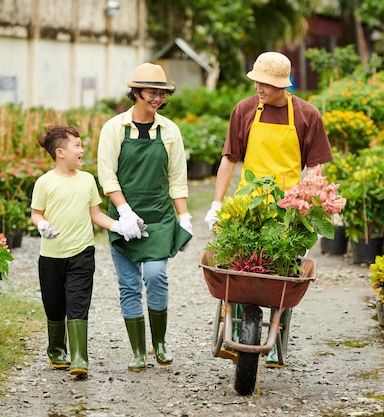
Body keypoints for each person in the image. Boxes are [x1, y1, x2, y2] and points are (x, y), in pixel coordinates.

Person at [204, 51, 334, 368]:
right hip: (247, 207)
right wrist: (217, 203)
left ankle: (278, 336)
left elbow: (314, 167)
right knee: (235, 266)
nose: (259, 88)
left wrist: (309, 203)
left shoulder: (306, 115)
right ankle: (231, 327)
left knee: (284, 272)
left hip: (287, 211)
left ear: (283, 85)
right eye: (257, 81)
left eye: (266, 83)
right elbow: (229, 158)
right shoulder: (245, 110)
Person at [97, 62, 193, 372]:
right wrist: (124, 213)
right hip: (123, 217)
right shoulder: (114, 129)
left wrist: (184, 218)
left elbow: (177, 179)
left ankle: (160, 342)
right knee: (128, 284)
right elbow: (107, 176)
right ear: (136, 92)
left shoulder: (169, 131)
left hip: (159, 217)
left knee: (155, 276)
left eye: (161, 93)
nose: (157, 99)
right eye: (152, 92)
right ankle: (138, 350)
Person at [31, 124, 118, 379]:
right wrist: (42, 224)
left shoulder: (87, 180)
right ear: (60, 152)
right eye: (77, 145)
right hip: (51, 256)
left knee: (78, 303)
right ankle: (57, 349)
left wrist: (119, 225)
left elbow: (96, 214)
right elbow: (36, 214)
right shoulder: (44, 183)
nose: (82, 150)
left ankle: (80, 356)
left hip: (81, 252)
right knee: (55, 305)